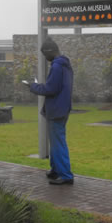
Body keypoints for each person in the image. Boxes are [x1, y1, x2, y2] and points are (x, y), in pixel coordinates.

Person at [27, 37, 74, 185]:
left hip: (56, 110)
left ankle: (66, 175)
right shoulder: (65, 64)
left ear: (49, 52)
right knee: (55, 142)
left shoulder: (57, 66)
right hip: (63, 108)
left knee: (58, 143)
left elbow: (51, 89)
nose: (45, 58)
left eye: (44, 55)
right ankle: (56, 170)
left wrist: (33, 87)